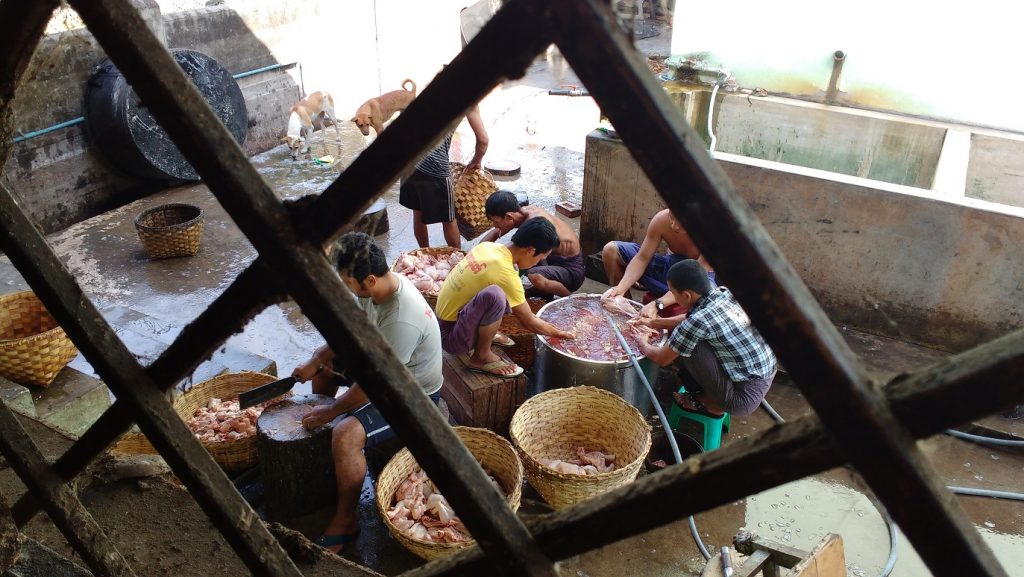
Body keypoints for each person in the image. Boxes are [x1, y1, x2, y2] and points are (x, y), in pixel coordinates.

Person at [292, 232, 443, 554]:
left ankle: (346, 521)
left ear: (369, 279)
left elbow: (378, 384)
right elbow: (347, 332)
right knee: (324, 370)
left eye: (347, 282)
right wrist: (316, 358)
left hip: (414, 395)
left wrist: (333, 413)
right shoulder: (372, 292)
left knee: (345, 434)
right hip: (382, 364)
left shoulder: (403, 318)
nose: (346, 288)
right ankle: (334, 457)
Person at [435, 217, 574, 378]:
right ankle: (481, 356)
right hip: (452, 339)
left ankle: (486, 334)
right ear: (530, 250)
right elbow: (529, 322)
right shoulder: (504, 272)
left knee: (504, 291)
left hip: (442, 321)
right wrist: (563, 334)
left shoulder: (489, 248)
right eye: (539, 259)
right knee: (496, 295)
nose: (537, 263)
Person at [636, 260, 776, 417]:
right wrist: (654, 322)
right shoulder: (723, 293)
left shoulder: (697, 322)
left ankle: (712, 404)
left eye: (674, 294)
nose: (673, 297)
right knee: (686, 337)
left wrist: (642, 342)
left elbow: (662, 359)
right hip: (764, 374)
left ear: (687, 295)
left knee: (687, 346)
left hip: (741, 400)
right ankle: (714, 395)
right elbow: (690, 317)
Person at [399, 102, 488, 249]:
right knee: (449, 218)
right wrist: (476, 160)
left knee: (418, 211)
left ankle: (423, 254)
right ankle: (457, 261)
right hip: (433, 164)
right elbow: (483, 141)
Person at [479, 190, 584, 299]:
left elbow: (511, 253)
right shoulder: (520, 212)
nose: (495, 226)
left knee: (533, 274)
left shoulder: (535, 223)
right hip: (549, 259)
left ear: (509, 216)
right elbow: (495, 233)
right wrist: (475, 255)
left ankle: (571, 298)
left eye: (496, 222)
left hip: (571, 271)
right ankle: (541, 291)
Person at [601, 208, 714, 304]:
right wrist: (621, 287)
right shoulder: (661, 219)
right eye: (672, 217)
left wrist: (659, 304)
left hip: (701, 278)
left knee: (709, 301)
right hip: (671, 269)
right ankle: (625, 306)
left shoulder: (711, 230)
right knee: (610, 250)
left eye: (682, 222)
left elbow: (696, 277)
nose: (674, 226)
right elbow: (642, 258)